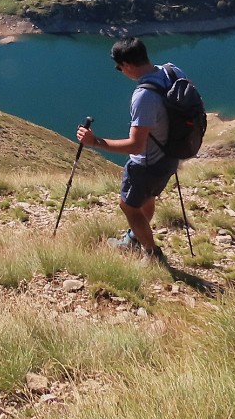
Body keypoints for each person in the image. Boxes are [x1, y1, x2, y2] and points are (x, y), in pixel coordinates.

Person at [76, 37, 181, 263]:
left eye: (119, 67)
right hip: (170, 156)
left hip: (147, 164)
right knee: (147, 199)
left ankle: (152, 254)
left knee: (129, 206)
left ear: (128, 65)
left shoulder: (143, 96)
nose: (120, 71)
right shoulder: (171, 71)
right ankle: (133, 239)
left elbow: (136, 145)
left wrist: (95, 142)